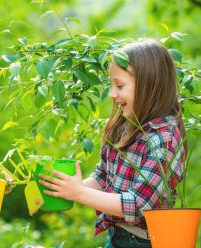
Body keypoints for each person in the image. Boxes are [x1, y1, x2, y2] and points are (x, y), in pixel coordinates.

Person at [38, 39, 186, 248]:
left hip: (146, 242)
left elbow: (137, 206)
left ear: (149, 85)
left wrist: (79, 193)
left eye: (120, 85)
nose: (111, 94)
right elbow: (103, 176)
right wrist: (66, 188)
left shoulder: (164, 139)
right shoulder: (122, 126)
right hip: (118, 236)